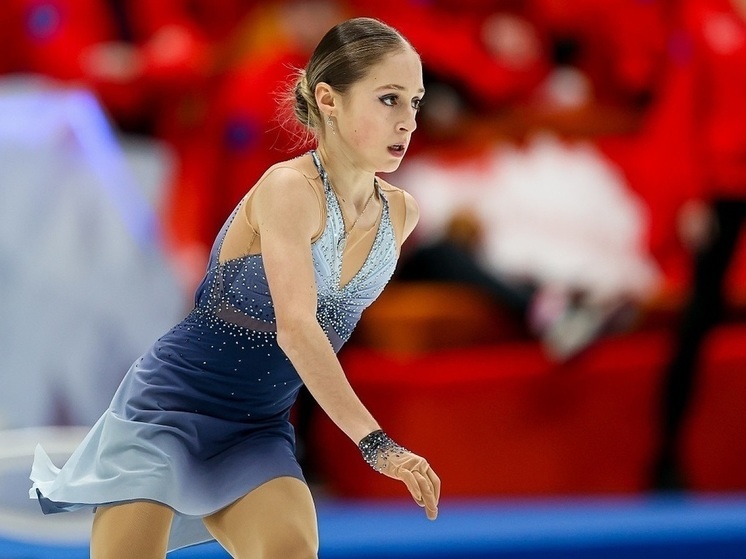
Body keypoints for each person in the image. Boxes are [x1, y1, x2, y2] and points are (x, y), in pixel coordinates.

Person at [29, 16, 440, 558]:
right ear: (329, 101)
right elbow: (298, 330)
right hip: (168, 410)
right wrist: (376, 443)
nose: (408, 121)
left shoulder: (400, 215)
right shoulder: (289, 189)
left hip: (257, 428)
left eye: (415, 101)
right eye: (389, 99)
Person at [647, 0, 746, 490]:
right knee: (698, 317)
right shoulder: (703, 19)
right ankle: (666, 454)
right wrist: (689, 193)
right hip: (721, 187)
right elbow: (683, 106)